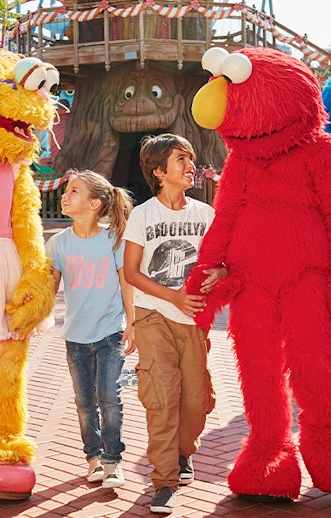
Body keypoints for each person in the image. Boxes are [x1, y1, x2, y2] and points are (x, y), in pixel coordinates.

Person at [121, 134, 224, 514]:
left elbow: (223, 260)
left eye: (191, 158)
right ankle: (163, 481)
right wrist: (173, 297)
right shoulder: (142, 215)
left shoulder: (206, 214)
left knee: (196, 402)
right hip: (153, 314)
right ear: (159, 171)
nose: (190, 165)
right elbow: (132, 273)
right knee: (162, 397)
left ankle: (184, 451)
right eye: (181, 159)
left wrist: (221, 272)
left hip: (194, 318)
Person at [47, 170, 135, 490]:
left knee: (109, 397)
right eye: (66, 191)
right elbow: (48, 287)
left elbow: (127, 285)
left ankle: (113, 461)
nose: (65, 196)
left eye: (74, 191)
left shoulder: (114, 239)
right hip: (75, 337)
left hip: (111, 332)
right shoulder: (58, 243)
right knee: (85, 402)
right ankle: (93, 458)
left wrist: (133, 323)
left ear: (94, 203)